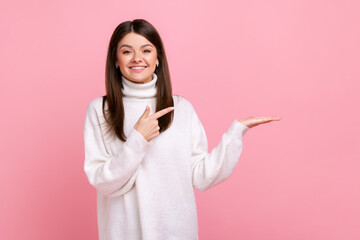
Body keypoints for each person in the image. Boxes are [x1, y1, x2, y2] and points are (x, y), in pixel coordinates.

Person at [83, 19, 281, 240]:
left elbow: (201, 175)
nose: (137, 58)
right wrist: (138, 139)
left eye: (146, 50)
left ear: (157, 58)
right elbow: (103, 180)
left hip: (176, 233)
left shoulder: (181, 109)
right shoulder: (101, 110)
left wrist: (236, 133)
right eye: (127, 51)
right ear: (116, 61)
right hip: (124, 233)